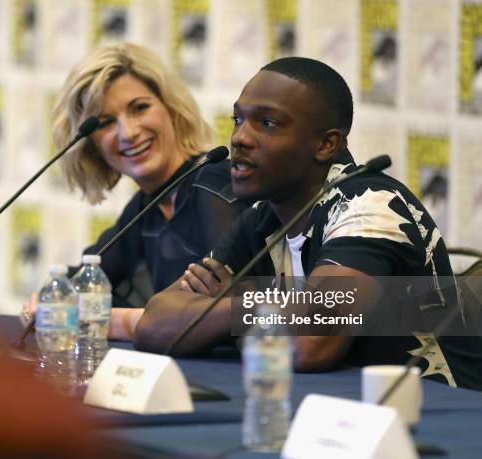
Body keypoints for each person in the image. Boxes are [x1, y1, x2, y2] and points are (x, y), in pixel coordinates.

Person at [134, 57, 482, 390]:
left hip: (440, 418)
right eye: (238, 120)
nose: (240, 137)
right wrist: (261, 308)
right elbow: (155, 325)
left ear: (326, 144)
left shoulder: (370, 205)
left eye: (267, 123)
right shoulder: (264, 215)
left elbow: (306, 345)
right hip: (343, 411)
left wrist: (245, 304)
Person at [20, 43, 249, 340]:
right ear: (92, 146)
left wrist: (101, 319)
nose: (127, 133)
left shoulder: (214, 182)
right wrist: (47, 300)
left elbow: (227, 311)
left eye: (139, 108)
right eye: (105, 123)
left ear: (172, 110)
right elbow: (83, 278)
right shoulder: (145, 208)